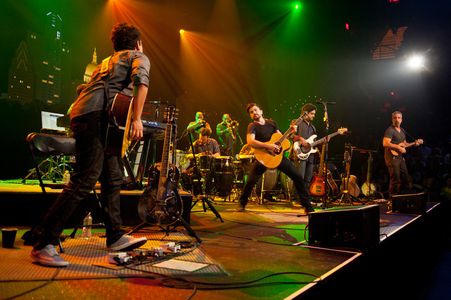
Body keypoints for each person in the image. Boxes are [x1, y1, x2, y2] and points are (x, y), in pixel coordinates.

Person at [30, 23, 150, 267]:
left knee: (112, 177)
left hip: (87, 114)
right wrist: (137, 119)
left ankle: (115, 235)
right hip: (97, 117)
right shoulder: (138, 56)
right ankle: (44, 242)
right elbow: (141, 82)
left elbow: (90, 90)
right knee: (85, 179)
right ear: (137, 43)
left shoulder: (106, 61)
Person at [237, 103, 314, 213]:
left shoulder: (272, 123)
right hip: (263, 157)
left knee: (297, 177)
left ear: (261, 111)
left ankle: (308, 207)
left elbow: (281, 138)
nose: (254, 113)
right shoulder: (252, 126)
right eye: (251, 112)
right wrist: (269, 146)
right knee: (250, 181)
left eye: (255, 110)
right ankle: (242, 203)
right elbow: (250, 142)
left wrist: (291, 132)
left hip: (277, 157)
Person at [382, 111, 422, 196]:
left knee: (405, 177)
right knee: (395, 179)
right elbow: (385, 143)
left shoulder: (402, 131)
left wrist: (415, 143)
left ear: (402, 119)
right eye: (395, 118)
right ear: (392, 119)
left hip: (400, 157)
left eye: (399, 118)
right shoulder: (390, 130)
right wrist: (398, 147)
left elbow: (405, 144)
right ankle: (392, 200)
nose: (397, 119)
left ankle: (401, 198)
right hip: (392, 157)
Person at [292, 103, 317, 191]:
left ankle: (304, 199)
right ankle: (295, 198)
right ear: (305, 113)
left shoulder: (313, 127)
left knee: (307, 179)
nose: (314, 116)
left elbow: (313, 142)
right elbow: (290, 135)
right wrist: (300, 138)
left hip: (310, 156)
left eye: (314, 114)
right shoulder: (297, 122)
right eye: (312, 113)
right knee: (299, 177)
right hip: (300, 153)